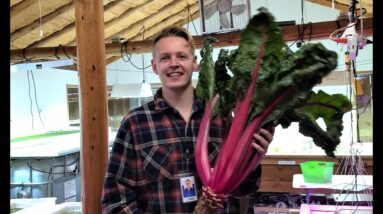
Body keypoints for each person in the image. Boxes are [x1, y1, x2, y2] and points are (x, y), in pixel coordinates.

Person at [101, 26, 274, 213]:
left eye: (181, 56)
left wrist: (253, 160)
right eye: (165, 58)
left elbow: (243, 190)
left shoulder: (221, 117)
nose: (173, 63)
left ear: (195, 63)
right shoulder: (135, 123)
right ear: (154, 66)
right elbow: (115, 201)